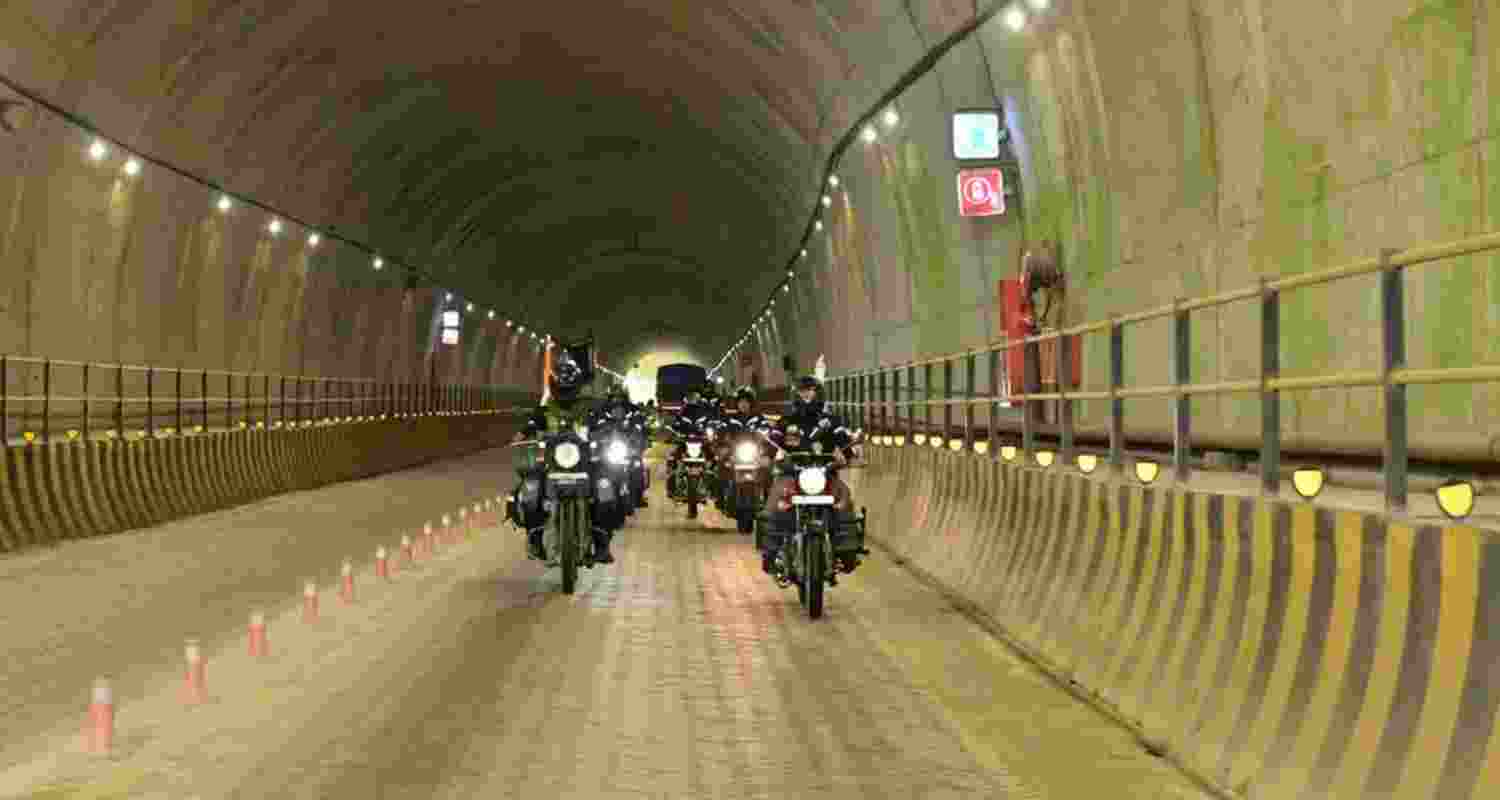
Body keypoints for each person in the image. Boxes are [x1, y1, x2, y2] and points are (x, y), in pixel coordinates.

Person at [508, 353, 615, 564]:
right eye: (561, 383)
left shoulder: (589, 408)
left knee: (606, 488)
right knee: (530, 491)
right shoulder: (545, 409)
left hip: (585, 462)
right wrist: (520, 437)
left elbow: (602, 424)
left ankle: (602, 543)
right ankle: (535, 539)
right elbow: (530, 426)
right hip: (551, 463)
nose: (565, 389)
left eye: (569, 383)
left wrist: (605, 433)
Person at [758, 376, 859, 571]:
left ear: (818, 393)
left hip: (824, 474)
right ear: (795, 394)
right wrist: (766, 453)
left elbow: (843, 440)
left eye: (810, 390)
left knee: (843, 496)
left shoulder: (830, 421)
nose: (806, 395)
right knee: (775, 499)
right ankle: (770, 552)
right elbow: (773, 440)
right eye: (802, 391)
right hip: (793, 475)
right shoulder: (787, 421)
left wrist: (850, 453)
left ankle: (847, 549)